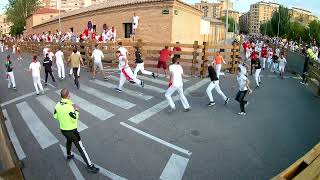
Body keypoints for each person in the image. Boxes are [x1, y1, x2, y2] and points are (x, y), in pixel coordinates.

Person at [54, 88, 99, 173]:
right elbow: (74, 119)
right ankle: (90, 166)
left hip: (63, 130)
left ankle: (68, 154)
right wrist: (77, 111)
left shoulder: (57, 105)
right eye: (69, 94)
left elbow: (55, 116)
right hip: (72, 130)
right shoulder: (69, 107)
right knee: (81, 147)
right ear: (68, 96)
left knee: (69, 141)